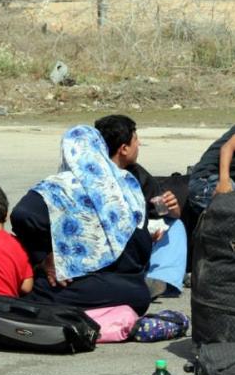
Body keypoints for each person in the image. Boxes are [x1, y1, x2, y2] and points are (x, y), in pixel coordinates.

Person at [10, 125, 153, 314]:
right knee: (138, 294)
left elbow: (22, 214)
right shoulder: (125, 183)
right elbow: (142, 242)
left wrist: (42, 256)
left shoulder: (58, 186)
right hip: (125, 288)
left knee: (39, 287)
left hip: (79, 282)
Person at [94, 114, 187, 299]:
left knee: (175, 225)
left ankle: (157, 281)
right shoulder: (96, 176)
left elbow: (167, 213)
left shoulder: (139, 175)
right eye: (136, 140)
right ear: (124, 149)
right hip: (106, 246)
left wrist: (172, 207)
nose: (139, 144)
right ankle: (151, 280)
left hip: (131, 244)